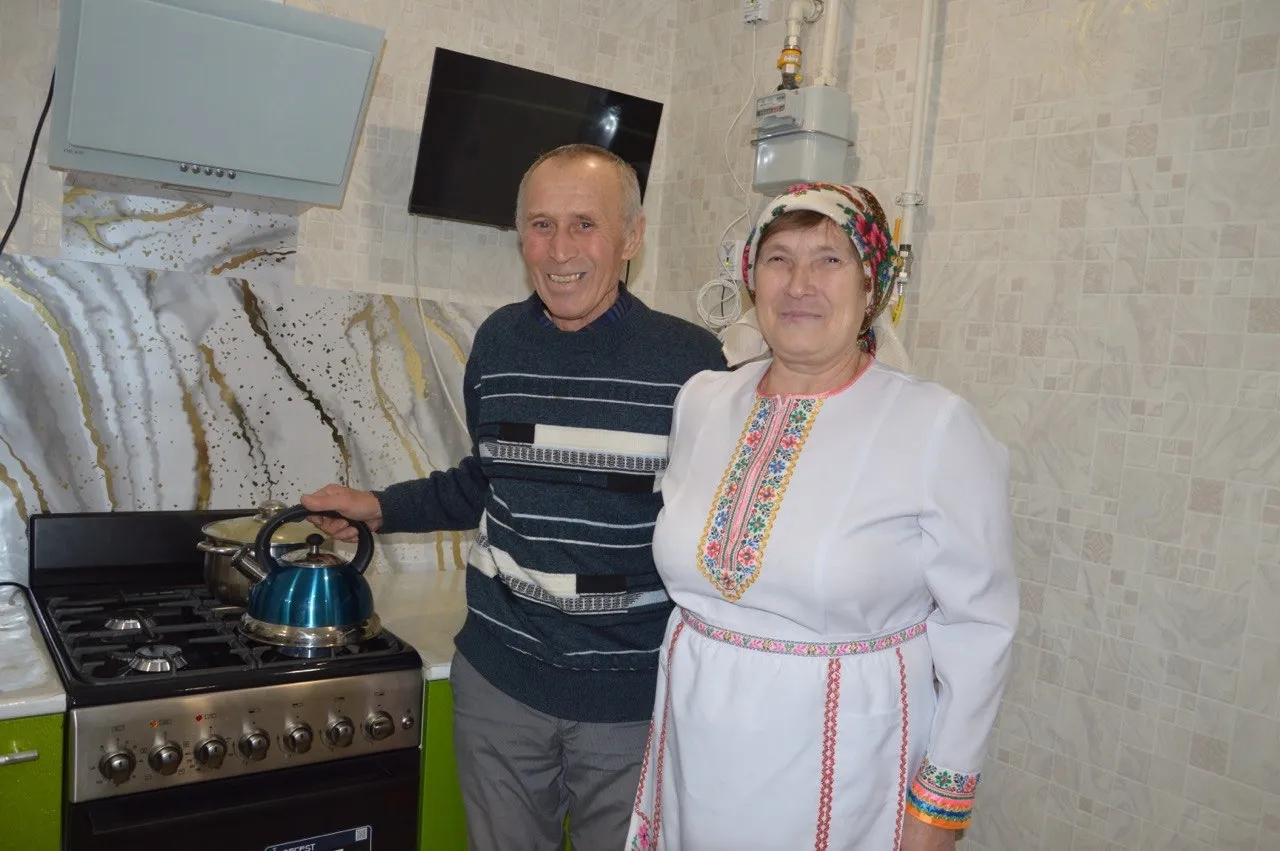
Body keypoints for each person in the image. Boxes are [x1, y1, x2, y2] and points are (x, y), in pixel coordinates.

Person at [299, 143, 724, 851]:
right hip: (500, 683)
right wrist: (377, 505)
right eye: (541, 225)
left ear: (632, 237)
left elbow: (716, 526)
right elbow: (488, 478)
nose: (560, 250)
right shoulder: (498, 343)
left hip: (629, 701)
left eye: (585, 224)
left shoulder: (693, 366)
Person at [625, 183, 1019, 851]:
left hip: (844, 769)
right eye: (778, 258)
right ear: (752, 278)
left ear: (872, 287)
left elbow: (980, 629)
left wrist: (937, 811)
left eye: (830, 259)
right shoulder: (703, 400)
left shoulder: (935, 426)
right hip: (694, 752)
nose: (799, 283)